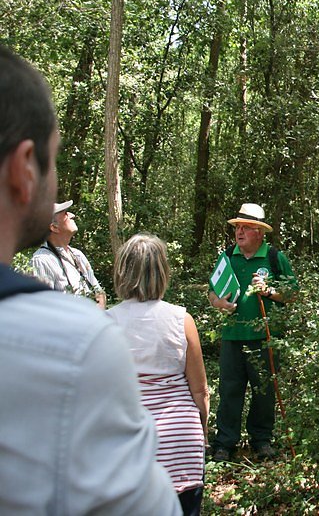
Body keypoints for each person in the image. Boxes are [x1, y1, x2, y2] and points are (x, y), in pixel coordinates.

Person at [0, 46, 181, 513]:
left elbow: (97, 289)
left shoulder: (79, 261)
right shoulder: (71, 345)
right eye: (53, 160)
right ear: (24, 169)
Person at [108, 234, 209, 516]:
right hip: (181, 442)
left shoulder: (105, 322)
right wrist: (202, 430)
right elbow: (200, 391)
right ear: (162, 272)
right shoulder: (181, 320)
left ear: (123, 271)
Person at [208, 202, 298, 461]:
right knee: (229, 390)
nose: (240, 232)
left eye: (247, 227)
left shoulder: (274, 258)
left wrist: (269, 291)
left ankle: (261, 441)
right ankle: (225, 443)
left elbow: (292, 294)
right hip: (232, 337)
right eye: (238, 227)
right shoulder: (227, 255)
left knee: (264, 392)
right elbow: (213, 290)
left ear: (260, 232)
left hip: (265, 338)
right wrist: (219, 303)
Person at [30, 199, 107, 308]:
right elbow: (44, 307)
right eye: (66, 214)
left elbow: (98, 291)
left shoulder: (77, 254)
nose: (72, 215)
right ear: (54, 227)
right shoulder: (42, 260)